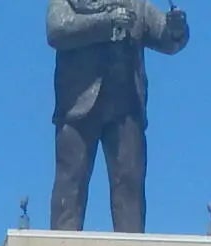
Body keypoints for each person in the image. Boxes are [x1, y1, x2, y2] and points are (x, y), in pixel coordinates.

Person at [47, 0, 191, 232]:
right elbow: (57, 29)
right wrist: (107, 23)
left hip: (126, 105)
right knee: (71, 180)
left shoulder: (137, 3)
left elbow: (164, 35)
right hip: (78, 103)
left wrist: (176, 29)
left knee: (129, 182)